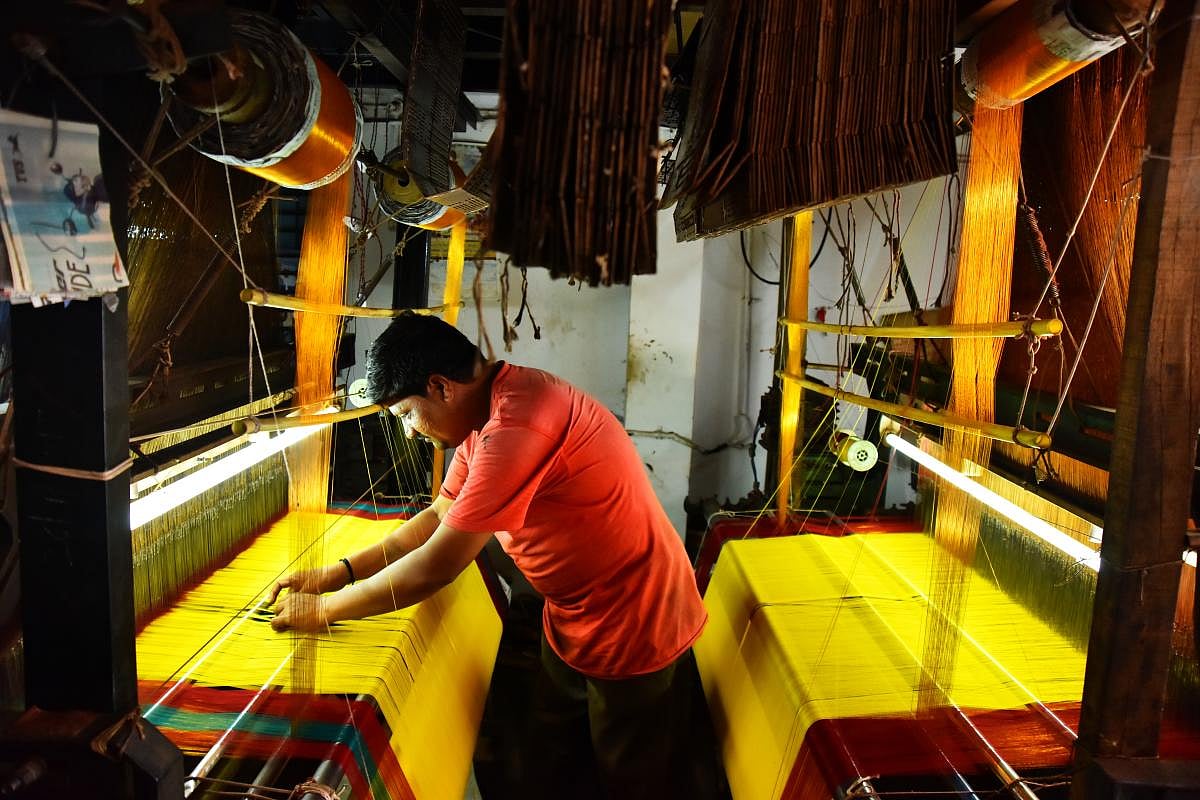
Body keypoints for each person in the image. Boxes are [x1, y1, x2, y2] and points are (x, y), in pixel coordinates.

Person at [268, 311, 709, 799]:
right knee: (553, 749)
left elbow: (437, 565)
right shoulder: (487, 415)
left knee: (631, 771)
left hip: (635, 614)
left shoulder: (518, 425)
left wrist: (325, 611)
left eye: (407, 415)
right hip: (572, 611)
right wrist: (336, 574)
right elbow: (437, 518)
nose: (411, 432)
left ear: (440, 387)